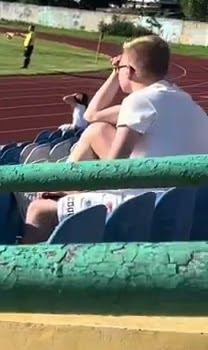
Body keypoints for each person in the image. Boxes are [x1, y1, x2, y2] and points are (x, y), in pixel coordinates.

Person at [22, 36, 208, 243]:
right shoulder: (185, 103)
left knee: (39, 209)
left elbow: (112, 170)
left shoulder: (139, 101)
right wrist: (115, 72)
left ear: (130, 71)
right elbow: (92, 116)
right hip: (180, 208)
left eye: (120, 67)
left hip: (141, 206)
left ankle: (24, 261)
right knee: (98, 129)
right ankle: (64, 185)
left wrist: (70, 193)